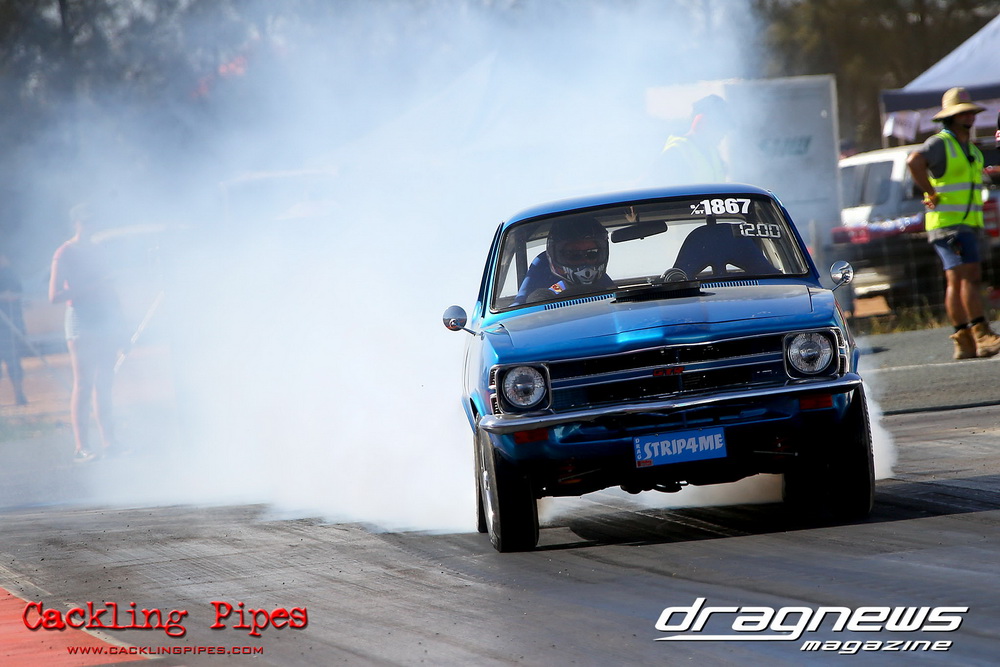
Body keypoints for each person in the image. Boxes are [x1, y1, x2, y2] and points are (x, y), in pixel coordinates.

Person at [907, 87, 1000, 360]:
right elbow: (914, 161)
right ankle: (981, 333)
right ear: (950, 117)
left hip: (965, 223)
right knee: (969, 276)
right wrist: (930, 192)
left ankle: (964, 341)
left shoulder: (970, 148)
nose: (969, 116)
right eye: (963, 113)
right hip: (950, 224)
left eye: (970, 112)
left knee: (958, 279)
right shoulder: (940, 143)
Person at [49, 203, 128, 462]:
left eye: (93, 220)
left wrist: (121, 325)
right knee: (83, 384)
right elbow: (54, 295)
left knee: (104, 383)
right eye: (86, 221)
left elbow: (110, 288)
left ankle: (110, 442)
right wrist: (90, 287)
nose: (91, 225)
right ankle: (81, 446)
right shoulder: (64, 252)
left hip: (104, 319)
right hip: (80, 321)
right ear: (76, 223)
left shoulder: (98, 250)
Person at [512, 217, 614, 306]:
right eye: (574, 255)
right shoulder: (547, 297)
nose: (585, 261)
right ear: (556, 258)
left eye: (592, 253)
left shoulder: (614, 296)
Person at [657, 94, 730, 185]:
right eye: (720, 127)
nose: (724, 133)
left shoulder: (712, 152)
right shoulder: (675, 153)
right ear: (701, 122)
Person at [0, 253, 28, 405]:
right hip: (6, 326)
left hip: (10, 326)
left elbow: (15, 294)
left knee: (14, 362)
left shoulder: (10, 275)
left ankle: (19, 394)